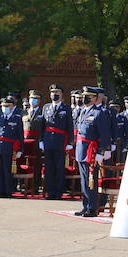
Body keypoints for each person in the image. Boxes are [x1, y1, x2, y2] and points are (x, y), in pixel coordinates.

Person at [74, 86, 115, 217]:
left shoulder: (99, 113)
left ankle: (92, 207)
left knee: (91, 179)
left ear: (95, 98)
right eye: (84, 95)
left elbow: (104, 134)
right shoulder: (82, 111)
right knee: (83, 180)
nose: (85, 98)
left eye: (89, 96)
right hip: (81, 149)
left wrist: (101, 152)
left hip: (91, 151)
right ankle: (85, 205)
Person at [41, 84, 71, 200]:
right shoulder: (46, 107)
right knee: (49, 167)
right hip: (48, 141)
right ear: (50, 94)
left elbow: (69, 126)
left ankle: (58, 192)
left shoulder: (66, 108)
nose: (55, 94)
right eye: (53, 92)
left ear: (61, 94)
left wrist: (70, 142)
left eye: (57, 92)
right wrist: (41, 140)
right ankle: (50, 191)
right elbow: (42, 126)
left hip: (60, 141)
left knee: (59, 168)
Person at [0, 95, 23, 198]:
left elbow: (20, 135)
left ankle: (8, 191)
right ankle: (0, 191)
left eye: (7, 106)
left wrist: (20, 150)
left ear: (12, 107)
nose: (5, 108)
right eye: (3, 106)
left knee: (7, 170)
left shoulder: (17, 118)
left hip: (9, 148)